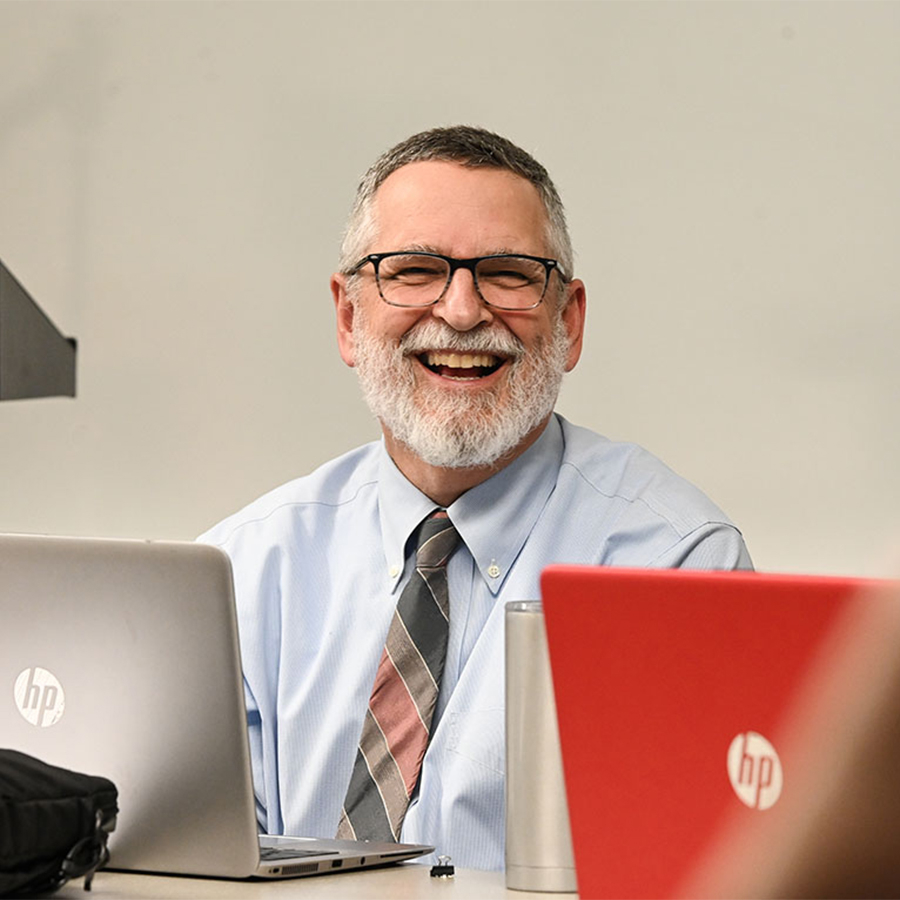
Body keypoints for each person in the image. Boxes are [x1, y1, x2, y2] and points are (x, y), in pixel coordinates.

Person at [199, 125, 752, 871]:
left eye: (508, 273)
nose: (461, 311)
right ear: (348, 318)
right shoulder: (243, 567)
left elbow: (697, 870)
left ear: (570, 321)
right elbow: (207, 867)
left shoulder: (675, 565)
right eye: (416, 270)